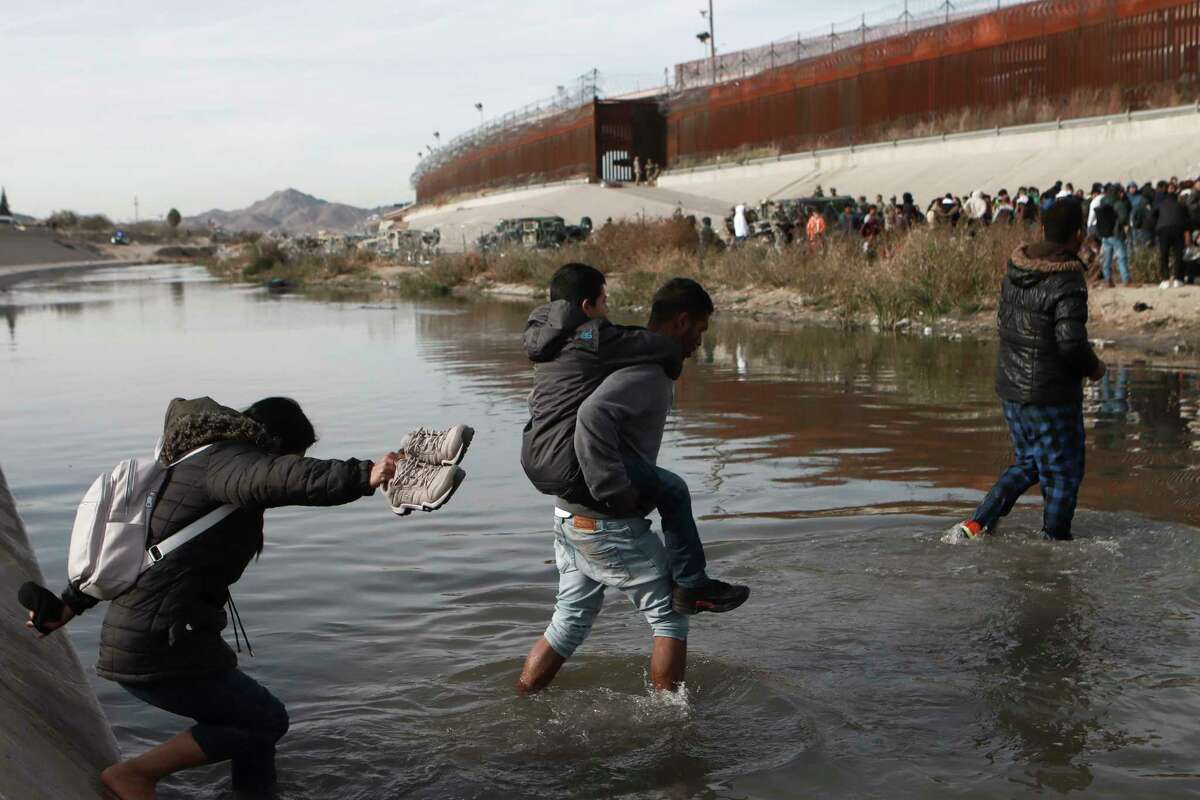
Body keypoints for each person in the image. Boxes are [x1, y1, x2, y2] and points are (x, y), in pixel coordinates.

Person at [25, 396, 471, 798]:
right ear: (279, 445)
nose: (295, 463)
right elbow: (279, 478)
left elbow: (133, 552)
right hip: (158, 644)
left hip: (168, 633)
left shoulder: (196, 462)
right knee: (265, 719)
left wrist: (66, 606)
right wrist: (364, 474)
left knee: (250, 720)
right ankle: (136, 774)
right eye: (297, 455)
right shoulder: (229, 462)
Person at [518, 279, 730, 694]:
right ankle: (672, 727)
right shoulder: (649, 371)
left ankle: (522, 699)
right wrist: (615, 493)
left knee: (569, 622)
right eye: (700, 332)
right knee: (671, 616)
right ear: (682, 321)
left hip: (568, 515)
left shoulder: (622, 358)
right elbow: (592, 418)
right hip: (604, 520)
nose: (698, 344)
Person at [949, 199, 1106, 542]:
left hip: (1011, 389)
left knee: (1030, 462)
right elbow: (1070, 343)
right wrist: (1095, 369)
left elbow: (1005, 326)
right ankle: (1055, 544)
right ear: (1078, 234)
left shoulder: (1016, 271)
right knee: (1064, 472)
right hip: (1050, 395)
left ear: (1044, 229)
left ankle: (976, 524)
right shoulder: (1068, 280)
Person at [1154, 182, 1190, 288]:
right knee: (1178, 255)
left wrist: (1158, 225)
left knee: (1164, 255)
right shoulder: (1181, 204)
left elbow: (1151, 215)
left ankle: (1165, 280)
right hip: (1178, 229)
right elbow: (1187, 219)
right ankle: (1177, 280)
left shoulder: (1160, 204)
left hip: (1163, 230)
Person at [1095, 185, 1129, 286]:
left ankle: (1108, 279)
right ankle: (1126, 280)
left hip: (1104, 234)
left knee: (1107, 258)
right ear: (1118, 193)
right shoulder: (1119, 204)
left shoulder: (1102, 201)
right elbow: (1123, 219)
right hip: (1116, 234)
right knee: (1122, 257)